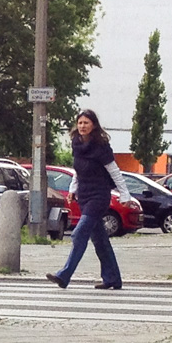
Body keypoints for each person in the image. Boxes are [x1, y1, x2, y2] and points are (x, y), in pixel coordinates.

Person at [46, 109, 133, 290]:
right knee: (100, 240)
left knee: (79, 233)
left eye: (86, 123)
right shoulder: (77, 144)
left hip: (99, 196)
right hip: (84, 196)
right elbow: (78, 170)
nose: (82, 126)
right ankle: (113, 279)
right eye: (80, 123)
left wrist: (125, 195)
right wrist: (72, 189)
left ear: (93, 125)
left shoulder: (101, 146)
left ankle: (64, 275)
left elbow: (114, 172)